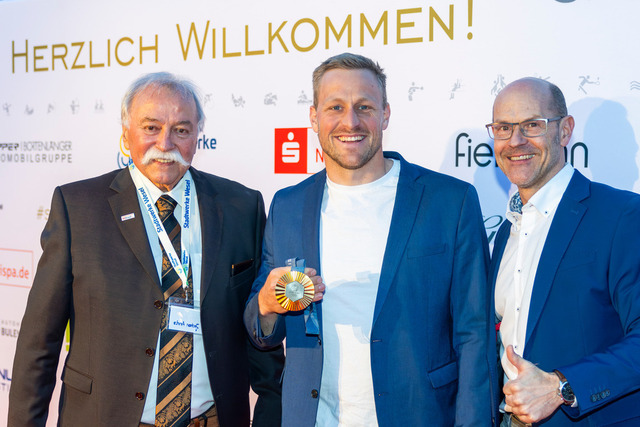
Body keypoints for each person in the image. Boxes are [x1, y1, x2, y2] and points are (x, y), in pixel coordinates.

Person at [8, 72, 284, 427]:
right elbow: (39, 342)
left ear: (198, 134)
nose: (165, 143)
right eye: (151, 128)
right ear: (126, 134)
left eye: (181, 130)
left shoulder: (241, 206)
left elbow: (258, 328)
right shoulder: (77, 207)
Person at [244, 52, 497, 426]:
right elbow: (262, 328)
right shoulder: (288, 205)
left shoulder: (449, 201)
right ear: (313, 117)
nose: (350, 121)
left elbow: (474, 334)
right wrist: (267, 304)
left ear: (386, 114)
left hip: (419, 415)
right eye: (335, 107)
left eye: (364, 106)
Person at [487, 77, 640, 426]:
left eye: (532, 125)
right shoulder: (506, 231)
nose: (516, 141)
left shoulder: (621, 216)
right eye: (504, 128)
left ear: (565, 130)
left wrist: (562, 386)